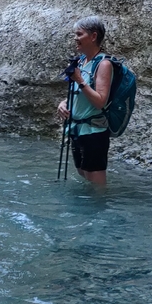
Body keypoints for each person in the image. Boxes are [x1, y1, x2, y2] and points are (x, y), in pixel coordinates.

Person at [56, 16, 113, 185]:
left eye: (79, 34)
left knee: (96, 182)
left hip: (94, 132)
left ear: (93, 36)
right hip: (78, 130)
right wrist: (63, 103)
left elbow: (100, 101)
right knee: (83, 173)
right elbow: (79, 94)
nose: (75, 38)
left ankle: (100, 210)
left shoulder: (104, 64)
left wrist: (80, 80)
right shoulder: (81, 61)